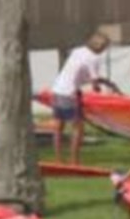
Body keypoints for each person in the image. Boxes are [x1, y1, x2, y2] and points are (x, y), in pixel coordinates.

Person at [50, 31, 118, 165]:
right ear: (100, 46)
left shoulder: (78, 50)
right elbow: (94, 84)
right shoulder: (93, 57)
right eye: (105, 47)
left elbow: (79, 72)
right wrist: (102, 90)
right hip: (70, 93)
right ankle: (74, 161)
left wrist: (107, 82)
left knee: (58, 126)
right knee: (78, 128)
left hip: (57, 89)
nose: (104, 50)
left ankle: (58, 159)